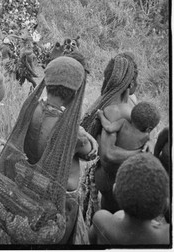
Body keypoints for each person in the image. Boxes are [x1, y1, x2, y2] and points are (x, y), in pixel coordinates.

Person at [23, 55, 98, 244]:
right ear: (74, 92)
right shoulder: (72, 133)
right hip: (63, 200)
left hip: (35, 185)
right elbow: (91, 152)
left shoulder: (32, 109)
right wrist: (84, 132)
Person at [81, 52, 144, 215]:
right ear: (130, 83)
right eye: (135, 79)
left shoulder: (124, 102)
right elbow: (108, 153)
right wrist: (141, 153)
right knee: (111, 223)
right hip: (112, 181)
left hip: (114, 178)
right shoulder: (114, 110)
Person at [89, 153, 170, 245]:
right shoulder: (166, 236)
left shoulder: (101, 221)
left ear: (115, 191)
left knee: (118, 214)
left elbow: (92, 239)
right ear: (165, 205)